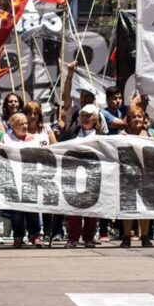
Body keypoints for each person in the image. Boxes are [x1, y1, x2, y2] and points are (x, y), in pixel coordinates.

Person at [59, 103, 103, 247]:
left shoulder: (102, 136)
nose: (84, 118)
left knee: (91, 210)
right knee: (74, 209)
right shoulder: (72, 131)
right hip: (74, 174)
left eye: (88, 116)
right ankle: (73, 238)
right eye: (82, 115)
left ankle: (88, 238)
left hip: (93, 176)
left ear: (95, 119)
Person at [2, 112, 43, 247]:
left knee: (32, 210)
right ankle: (18, 236)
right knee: (17, 212)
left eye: (26, 123)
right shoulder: (6, 138)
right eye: (21, 124)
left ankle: (35, 235)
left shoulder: (35, 139)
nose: (25, 126)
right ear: (13, 125)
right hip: (14, 179)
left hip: (31, 178)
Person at [119, 107, 154, 248]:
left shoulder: (149, 134)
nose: (137, 119)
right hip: (127, 176)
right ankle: (126, 237)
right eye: (134, 117)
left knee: (144, 208)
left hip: (145, 175)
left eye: (140, 116)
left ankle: (145, 236)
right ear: (128, 120)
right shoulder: (123, 135)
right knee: (129, 207)